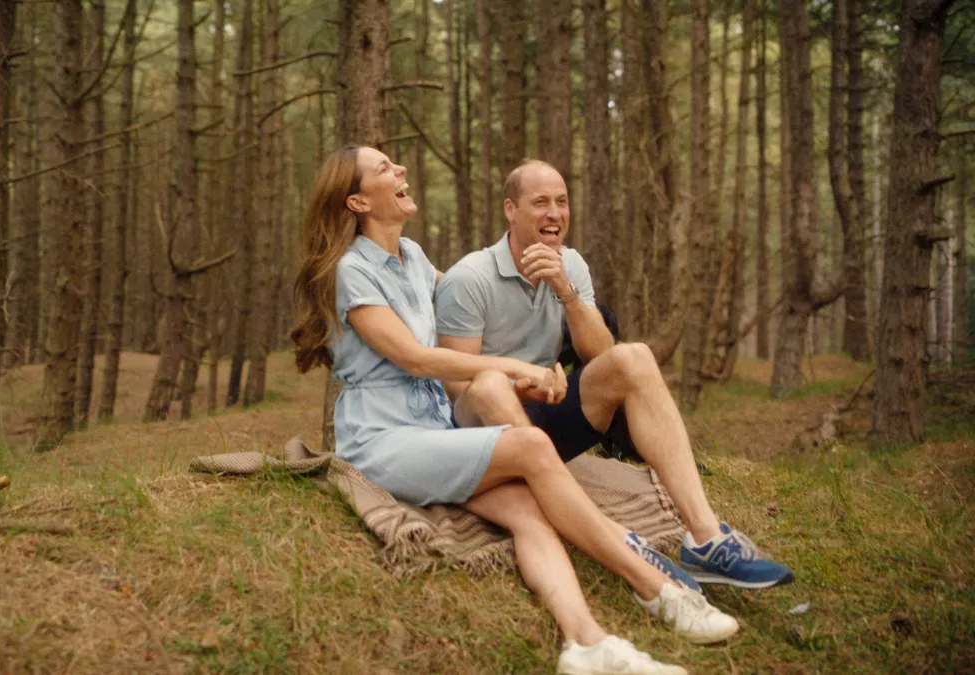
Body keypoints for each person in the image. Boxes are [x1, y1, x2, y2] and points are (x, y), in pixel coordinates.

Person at [291, 145, 736, 675]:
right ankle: (653, 584)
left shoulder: (412, 258)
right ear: (358, 200)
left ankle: (587, 644)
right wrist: (513, 369)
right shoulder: (350, 270)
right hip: (382, 439)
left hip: (436, 431)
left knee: (528, 511)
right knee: (530, 446)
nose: (400, 169)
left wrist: (543, 337)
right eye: (384, 168)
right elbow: (411, 357)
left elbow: (463, 302)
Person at [435, 159, 795, 591]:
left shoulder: (573, 266)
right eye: (541, 203)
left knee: (634, 357)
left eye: (562, 202)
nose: (555, 214)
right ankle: (619, 543)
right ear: (511, 210)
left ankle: (705, 537)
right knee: (490, 387)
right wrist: (518, 385)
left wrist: (565, 290)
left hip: (548, 415)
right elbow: (455, 384)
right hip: (485, 434)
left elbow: (602, 357)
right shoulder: (469, 278)